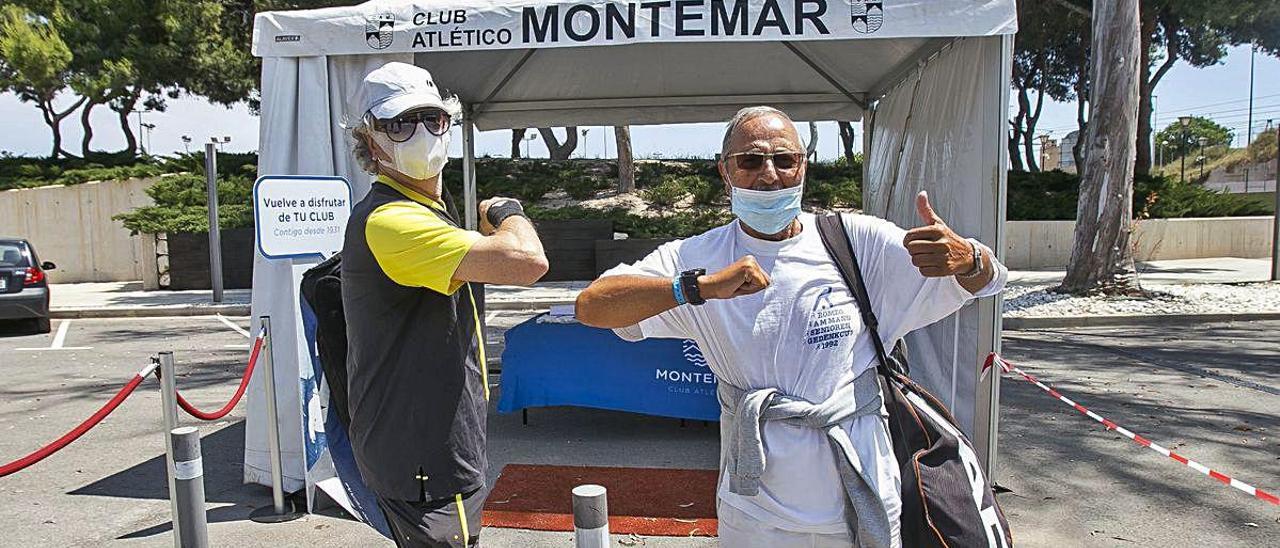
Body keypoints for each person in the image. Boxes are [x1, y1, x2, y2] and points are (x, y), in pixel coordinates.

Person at [575, 106, 1008, 547]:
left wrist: (970, 259)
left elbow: (990, 281)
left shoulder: (857, 243)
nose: (769, 175)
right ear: (725, 172)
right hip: (755, 513)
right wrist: (697, 288)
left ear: (804, 166)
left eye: (785, 160)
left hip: (863, 500)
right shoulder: (698, 257)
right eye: (750, 161)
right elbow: (592, 306)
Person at [341, 62, 549, 548]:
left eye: (432, 119)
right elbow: (526, 261)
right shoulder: (393, 220)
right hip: (426, 456)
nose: (420, 133)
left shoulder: (425, 211)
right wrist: (509, 213)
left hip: (420, 446)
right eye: (400, 123)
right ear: (371, 142)